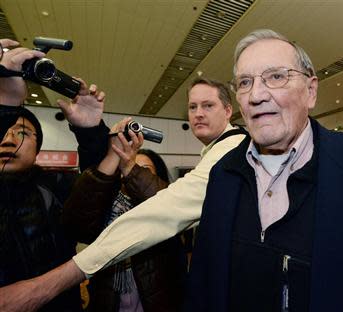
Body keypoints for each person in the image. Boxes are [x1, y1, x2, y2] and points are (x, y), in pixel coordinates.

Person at [183, 29, 343, 311]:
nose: (256, 95)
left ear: (311, 91)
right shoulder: (223, 174)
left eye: (276, 76)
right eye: (245, 82)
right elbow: (203, 286)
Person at [0, 77, 247, 311]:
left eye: (208, 105)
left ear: (228, 111)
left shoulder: (230, 151)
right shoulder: (218, 153)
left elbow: (163, 209)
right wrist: (108, 150)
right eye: (192, 107)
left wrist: (50, 283)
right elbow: (82, 215)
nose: (198, 113)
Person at [0, 38, 108, 312]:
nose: (8, 141)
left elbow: (98, 192)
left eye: (22, 133)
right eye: (3, 130)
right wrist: (5, 103)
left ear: (38, 149)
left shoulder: (57, 185)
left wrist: (90, 133)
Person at [62, 117, 186, 312]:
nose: (130, 172)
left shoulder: (165, 201)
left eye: (143, 170)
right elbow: (76, 222)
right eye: (125, 168)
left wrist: (131, 168)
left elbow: (167, 203)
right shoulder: (104, 205)